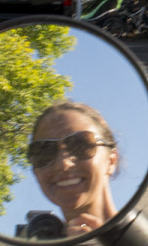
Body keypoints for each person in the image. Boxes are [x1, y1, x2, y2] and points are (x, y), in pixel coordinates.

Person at [26, 101, 118, 237]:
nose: (63, 164)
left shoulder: (143, 242)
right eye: (44, 152)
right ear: (36, 173)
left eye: (80, 145)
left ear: (111, 161)